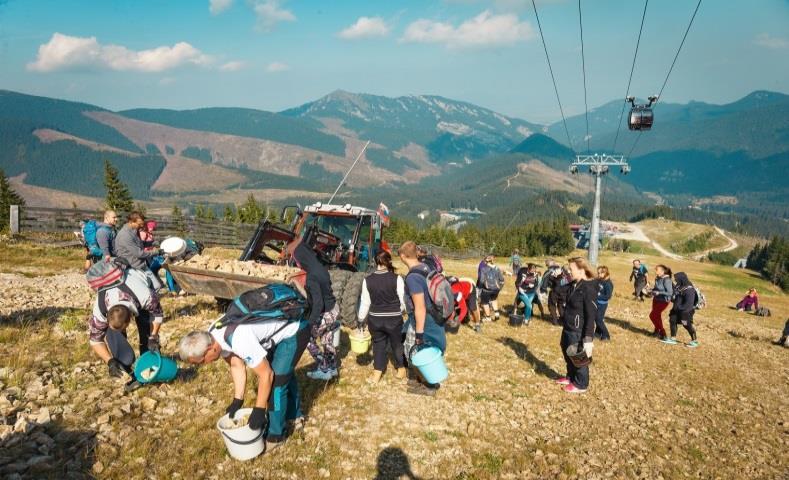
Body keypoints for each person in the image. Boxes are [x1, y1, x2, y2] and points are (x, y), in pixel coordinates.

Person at [178, 292, 310, 451]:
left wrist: (260, 410)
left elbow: (266, 375)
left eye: (201, 361)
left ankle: (276, 436)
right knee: (283, 373)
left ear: (210, 349)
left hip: (295, 329)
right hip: (278, 329)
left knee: (277, 382)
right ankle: (293, 416)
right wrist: (237, 400)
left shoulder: (240, 340)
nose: (204, 365)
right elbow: (236, 365)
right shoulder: (214, 332)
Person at [88, 266, 163, 391]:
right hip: (115, 292)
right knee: (119, 348)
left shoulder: (145, 296)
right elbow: (95, 340)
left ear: (130, 320)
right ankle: (124, 365)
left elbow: (157, 314)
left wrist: (153, 336)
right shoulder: (100, 310)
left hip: (137, 283)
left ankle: (149, 361)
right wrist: (110, 361)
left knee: (146, 327)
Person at [399, 241, 447, 396]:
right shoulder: (426, 267)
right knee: (426, 349)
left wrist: (419, 334)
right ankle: (424, 381)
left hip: (423, 320)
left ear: (402, 256)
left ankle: (428, 384)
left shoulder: (412, 277)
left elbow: (419, 306)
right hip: (433, 316)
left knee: (417, 351)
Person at [291, 242, 340, 381]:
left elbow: (318, 304)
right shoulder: (321, 268)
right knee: (327, 339)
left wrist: (309, 324)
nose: (298, 264)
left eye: (298, 261)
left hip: (326, 313)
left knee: (308, 339)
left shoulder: (312, 276)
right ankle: (332, 367)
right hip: (334, 308)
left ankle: (323, 368)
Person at [357, 251, 407, 384]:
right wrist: (400, 311)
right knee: (397, 344)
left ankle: (377, 374)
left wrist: (361, 319)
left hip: (375, 320)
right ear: (389, 262)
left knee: (378, 345)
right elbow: (403, 301)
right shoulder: (397, 278)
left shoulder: (367, 280)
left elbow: (365, 302)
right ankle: (401, 369)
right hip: (394, 319)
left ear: (375, 262)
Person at [556, 257, 598, 394]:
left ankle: (581, 384)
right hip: (568, 327)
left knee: (578, 356)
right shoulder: (574, 284)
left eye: (571, 269)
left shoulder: (589, 288)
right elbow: (558, 291)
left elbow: (591, 316)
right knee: (566, 352)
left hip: (578, 330)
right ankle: (571, 377)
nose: (569, 271)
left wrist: (588, 340)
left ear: (581, 270)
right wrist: (562, 278)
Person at [114, 212, 164, 290]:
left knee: (156, 286)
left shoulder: (134, 230)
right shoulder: (125, 235)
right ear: (131, 222)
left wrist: (152, 244)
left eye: (142, 224)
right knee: (148, 288)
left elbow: (139, 245)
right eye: (139, 224)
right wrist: (156, 252)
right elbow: (139, 253)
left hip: (140, 264)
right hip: (132, 267)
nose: (141, 226)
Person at [661, 272, 699, 348]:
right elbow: (674, 290)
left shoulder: (689, 290)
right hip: (676, 310)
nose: (675, 280)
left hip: (685, 312)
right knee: (672, 321)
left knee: (686, 325)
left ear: (682, 279)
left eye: (676, 279)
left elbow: (689, 304)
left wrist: (679, 308)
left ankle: (694, 341)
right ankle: (673, 339)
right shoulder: (679, 285)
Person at [540, 260, 569, 325]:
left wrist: (543, 289)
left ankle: (555, 321)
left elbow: (546, 280)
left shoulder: (551, 272)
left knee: (552, 306)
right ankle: (563, 321)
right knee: (561, 306)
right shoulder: (569, 275)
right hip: (564, 293)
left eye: (547, 265)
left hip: (555, 291)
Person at [649, 265, 673, 340]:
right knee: (657, 316)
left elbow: (670, 293)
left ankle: (663, 333)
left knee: (652, 315)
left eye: (657, 270)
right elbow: (656, 288)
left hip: (664, 301)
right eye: (655, 270)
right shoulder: (658, 278)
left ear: (662, 271)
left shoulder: (667, 280)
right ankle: (656, 331)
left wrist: (659, 293)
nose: (655, 271)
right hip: (656, 299)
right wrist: (650, 290)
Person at [478, 256, 504, 322]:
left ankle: (488, 317)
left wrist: (479, 288)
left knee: (484, 303)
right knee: (494, 299)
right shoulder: (497, 268)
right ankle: (497, 314)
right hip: (496, 289)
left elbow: (481, 280)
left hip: (487, 289)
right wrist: (500, 287)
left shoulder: (483, 269)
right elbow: (502, 279)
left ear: (486, 262)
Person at [595, 266, 613, 341]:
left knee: (599, 320)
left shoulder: (608, 284)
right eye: (597, 273)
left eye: (599, 273)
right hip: (597, 302)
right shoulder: (599, 280)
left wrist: (598, 296)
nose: (598, 274)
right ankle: (597, 334)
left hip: (602, 304)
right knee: (597, 319)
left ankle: (606, 335)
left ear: (604, 273)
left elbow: (608, 296)